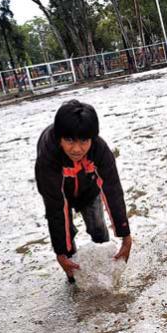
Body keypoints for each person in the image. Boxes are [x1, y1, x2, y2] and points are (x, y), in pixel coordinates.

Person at [35, 100, 132, 283]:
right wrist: (61, 252)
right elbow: (55, 206)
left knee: (98, 229)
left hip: (89, 189)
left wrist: (125, 235)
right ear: (59, 138)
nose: (77, 149)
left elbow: (113, 191)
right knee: (67, 239)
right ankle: (73, 277)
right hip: (58, 191)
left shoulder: (100, 150)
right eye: (70, 140)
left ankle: (107, 269)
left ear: (92, 138)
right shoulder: (48, 155)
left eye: (84, 141)